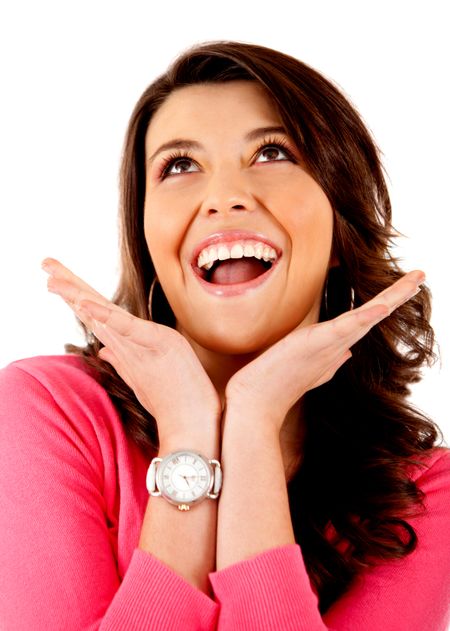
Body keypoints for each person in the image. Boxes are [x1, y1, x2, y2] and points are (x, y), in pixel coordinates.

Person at [0, 40, 449, 631]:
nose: (224, 197)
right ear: (149, 242)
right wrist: (188, 430)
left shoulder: (423, 492)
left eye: (272, 152)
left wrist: (253, 422)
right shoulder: (51, 409)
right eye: (179, 166)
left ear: (341, 227)